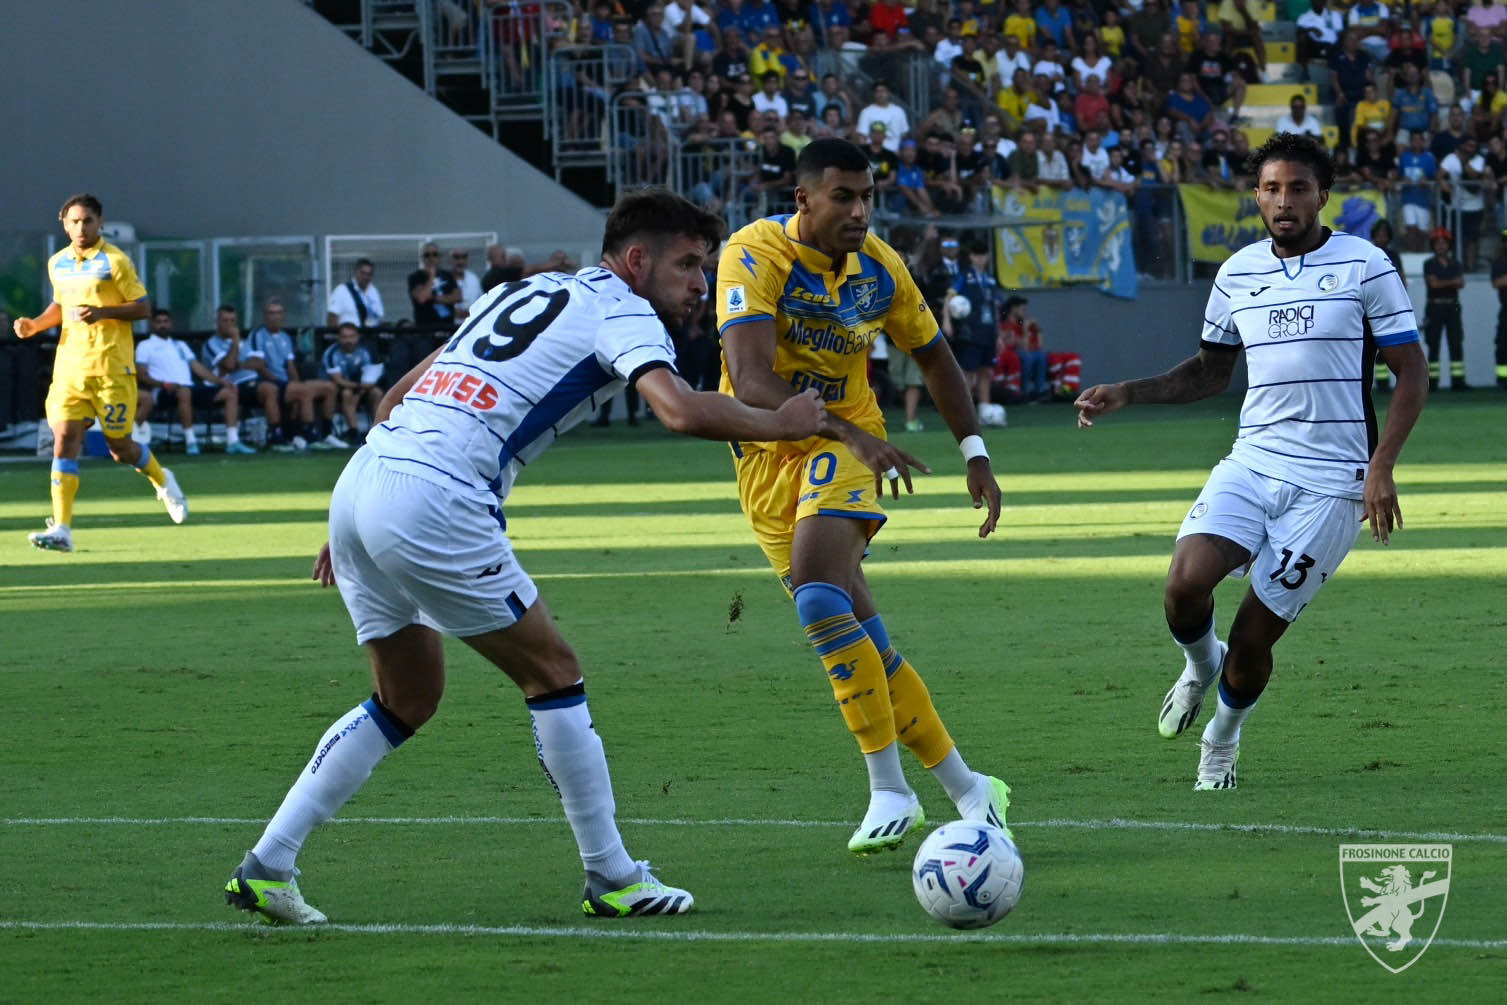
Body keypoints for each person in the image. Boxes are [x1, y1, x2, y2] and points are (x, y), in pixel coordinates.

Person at [223, 189, 827, 926]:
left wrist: (366, 515)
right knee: (554, 673)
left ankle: (267, 865)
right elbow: (678, 409)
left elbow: (396, 397)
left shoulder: (521, 290)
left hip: (364, 483)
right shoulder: (624, 311)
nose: (700, 282)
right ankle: (612, 876)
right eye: (688, 264)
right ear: (637, 260)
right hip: (435, 498)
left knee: (406, 698)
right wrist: (781, 421)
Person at [1074, 134, 1428, 791]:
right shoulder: (1237, 272)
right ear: (1256, 197)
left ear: (1323, 196)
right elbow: (1209, 372)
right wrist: (1128, 391)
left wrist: (1381, 466)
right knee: (1183, 586)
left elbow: (1412, 371)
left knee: (1251, 638)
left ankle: (1221, 739)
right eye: (1270, 188)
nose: (1283, 200)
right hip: (1252, 461)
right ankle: (1197, 665)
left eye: (1297, 188)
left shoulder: (1366, 265)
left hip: (1331, 484)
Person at [714, 138, 1010, 856]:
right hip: (764, 453)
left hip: (847, 444)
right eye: (842, 197)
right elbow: (750, 379)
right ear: (803, 199)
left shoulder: (880, 267)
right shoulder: (753, 254)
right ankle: (971, 788)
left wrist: (974, 452)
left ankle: (888, 788)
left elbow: (934, 354)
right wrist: (843, 430)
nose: (859, 212)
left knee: (819, 598)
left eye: (867, 197)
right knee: (864, 638)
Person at [10, 193, 187, 552]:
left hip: (111, 369)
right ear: (64, 223)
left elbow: (142, 308)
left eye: (87, 221)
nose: (81, 227)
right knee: (64, 438)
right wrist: (36, 325)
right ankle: (62, 528)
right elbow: (61, 305)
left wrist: (104, 312)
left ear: (100, 222)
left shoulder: (115, 261)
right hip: (71, 369)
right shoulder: (58, 262)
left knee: (119, 448)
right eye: (74, 221)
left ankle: (161, 478)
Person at [135, 307, 252, 455]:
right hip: (163, 390)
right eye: (159, 322)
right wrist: (163, 384)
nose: (162, 325)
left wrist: (221, 382)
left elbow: (198, 368)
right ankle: (191, 442)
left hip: (189, 388)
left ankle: (233, 441)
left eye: (165, 321)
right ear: (152, 324)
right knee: (184, 392)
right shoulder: (145, 346)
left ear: (171, 324)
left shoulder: (180, 345)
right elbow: (142, 374)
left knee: (230, 392)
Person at [247, 297, 346, 450]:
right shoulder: (257, 335)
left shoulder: (285, 337)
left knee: (329, 387)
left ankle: (327, 433)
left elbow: (291, 366)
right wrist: (285, 384)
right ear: (265, 316)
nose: (275, 317)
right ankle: (308, 435)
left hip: (286, 383)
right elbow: (259, 366)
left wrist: (295, 382)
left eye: (278, 313)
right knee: (303, 391)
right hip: (267, 383)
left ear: (283, 316)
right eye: (271, 313)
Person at [1422, 226, 1470, 390]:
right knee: (1433, 344)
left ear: (1449, 245)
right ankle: (1432, 383)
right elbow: (1433, 284)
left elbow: (1461, 283)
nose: (1441, 246)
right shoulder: (1429, 264)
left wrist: (1442, 282)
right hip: (1435, 307)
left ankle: (1458, 381)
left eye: (1444, 242)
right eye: (1437, 243)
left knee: (1456, 343)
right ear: (1433, 245)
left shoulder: (1455, 263)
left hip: (1452, 307)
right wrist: (1452, 282)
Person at [322, 321, 385, 444]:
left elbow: (371, 378)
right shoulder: (331, 353)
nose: (348, 340)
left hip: (363, 387)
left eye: (351, 336)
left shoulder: (366, 351)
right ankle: (354, 432)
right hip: (341, 388)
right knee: (347, 394)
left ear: (357, 337)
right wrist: (358, 388)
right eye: (344, 337)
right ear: (338, 338)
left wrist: (359, 392)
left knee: (377, 393)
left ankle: (377, 431)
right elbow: (338, 380)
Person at [326, 258, 385, 331]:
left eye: (369, 274)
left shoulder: (374, 291)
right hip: (350, 336)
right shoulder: (342, 290)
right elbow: (332, 316)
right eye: (362, 273)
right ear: (355, 272)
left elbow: (379, 316)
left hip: (372, 334)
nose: (365, 277)